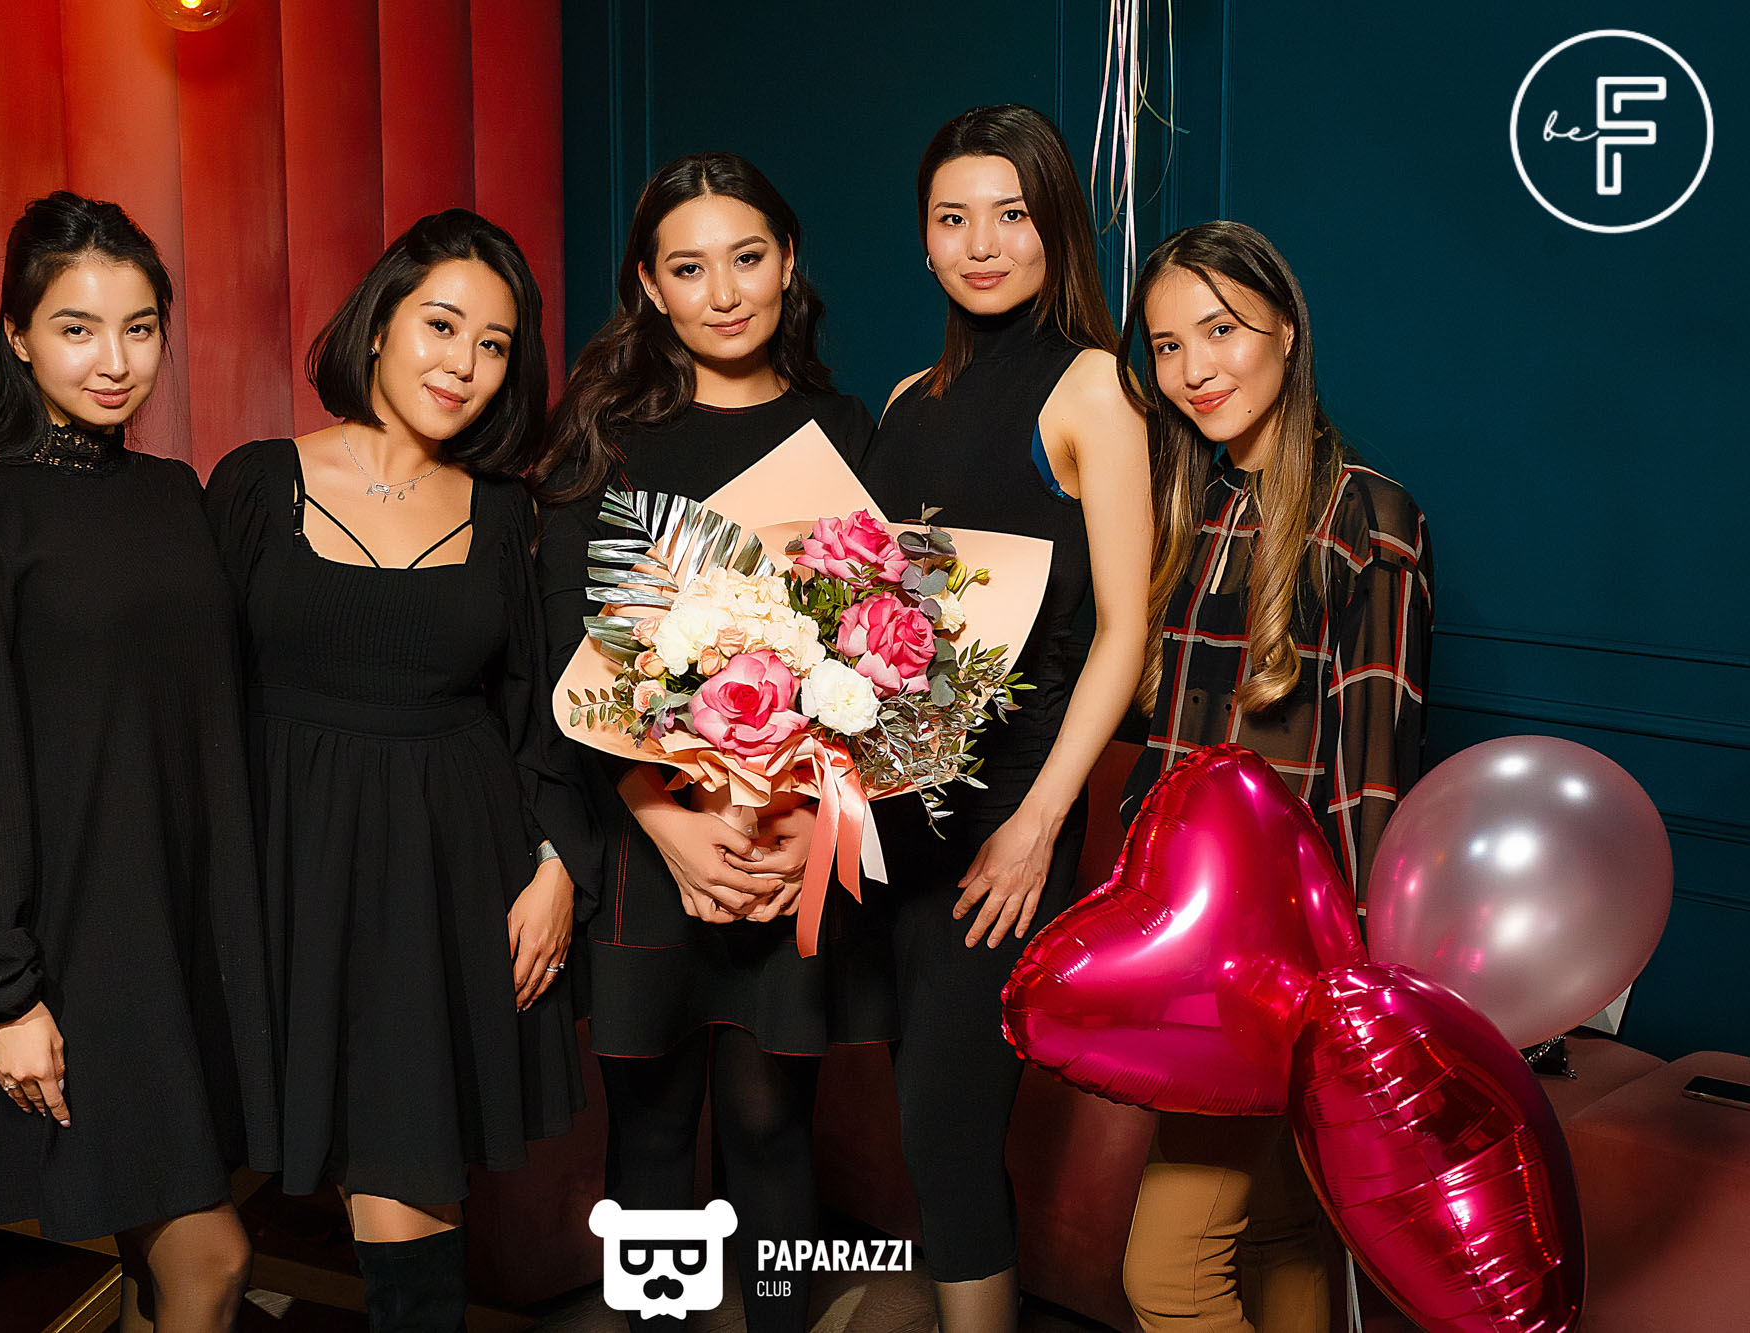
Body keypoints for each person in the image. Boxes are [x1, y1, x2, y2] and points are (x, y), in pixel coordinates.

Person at [203, 208, 592, 1331]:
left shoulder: (508, 512)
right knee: (198, 1204)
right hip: (285, 868)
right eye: (441, 325)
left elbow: (541, 709)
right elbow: (193, 703)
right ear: (378, 324)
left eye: (494, 343)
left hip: (443, 881)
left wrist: (557, 866)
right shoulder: (253, 484)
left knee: (410, 1211)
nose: (463, 363)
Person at [0, 191, 277, 1329]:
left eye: (140, 328)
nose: (115, 362)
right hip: (75, 956)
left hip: (189, 933)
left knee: (162, 1262)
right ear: (17, 334)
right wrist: (3, 993)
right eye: (77, 327)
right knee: (210, 1258)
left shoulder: (176, 496)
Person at [537, 151, 895, 1332]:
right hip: (648, 839)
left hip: (788, 839)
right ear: (648, 285)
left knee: (769, 1125)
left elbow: (877, 654)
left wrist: (794, 828)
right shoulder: (604, 438)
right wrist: (667, 824)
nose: (724, 292)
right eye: (688, 269)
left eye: (746, 258)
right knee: (647, 1134)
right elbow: (568, 654)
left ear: (787, 264)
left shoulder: (842, 430)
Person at [858, 105, 1153, 1332]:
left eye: (1011, 215)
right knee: (918, 1111)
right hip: (887, 805)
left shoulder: (1093, 386)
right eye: (952, 218)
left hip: (1006, 815)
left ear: (1055, 228)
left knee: (948, 1120)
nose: (981, 244)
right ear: (923, 240)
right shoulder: (902, 397)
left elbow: (1124, 631)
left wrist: (1038, 823)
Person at [1115, 219, 1434, 1333]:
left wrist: (1352, 999)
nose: (1192, 369)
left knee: (1166, 1276)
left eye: (1220, 330)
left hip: (1286, 966)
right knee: (1282, 1233)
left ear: (1286, 332)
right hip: (1183, 941)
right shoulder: (1188, 513)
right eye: (1165, 346)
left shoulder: (1369, 518)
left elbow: (1372, 784)